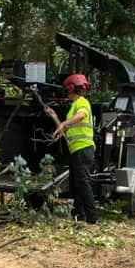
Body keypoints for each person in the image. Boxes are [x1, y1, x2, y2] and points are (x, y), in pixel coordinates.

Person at [47, 74, 98, 224]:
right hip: (77, 150)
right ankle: (79, 215)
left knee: (83, 183)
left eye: (67, 90)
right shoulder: (72, 107)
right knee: (76, 184)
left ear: (71, 88)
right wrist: (55, 117)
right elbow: (66, 129)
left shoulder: (82, 102)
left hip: (83, 149)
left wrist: (63, 124)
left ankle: (92, 219)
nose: (66, 93)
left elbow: (81, 116)